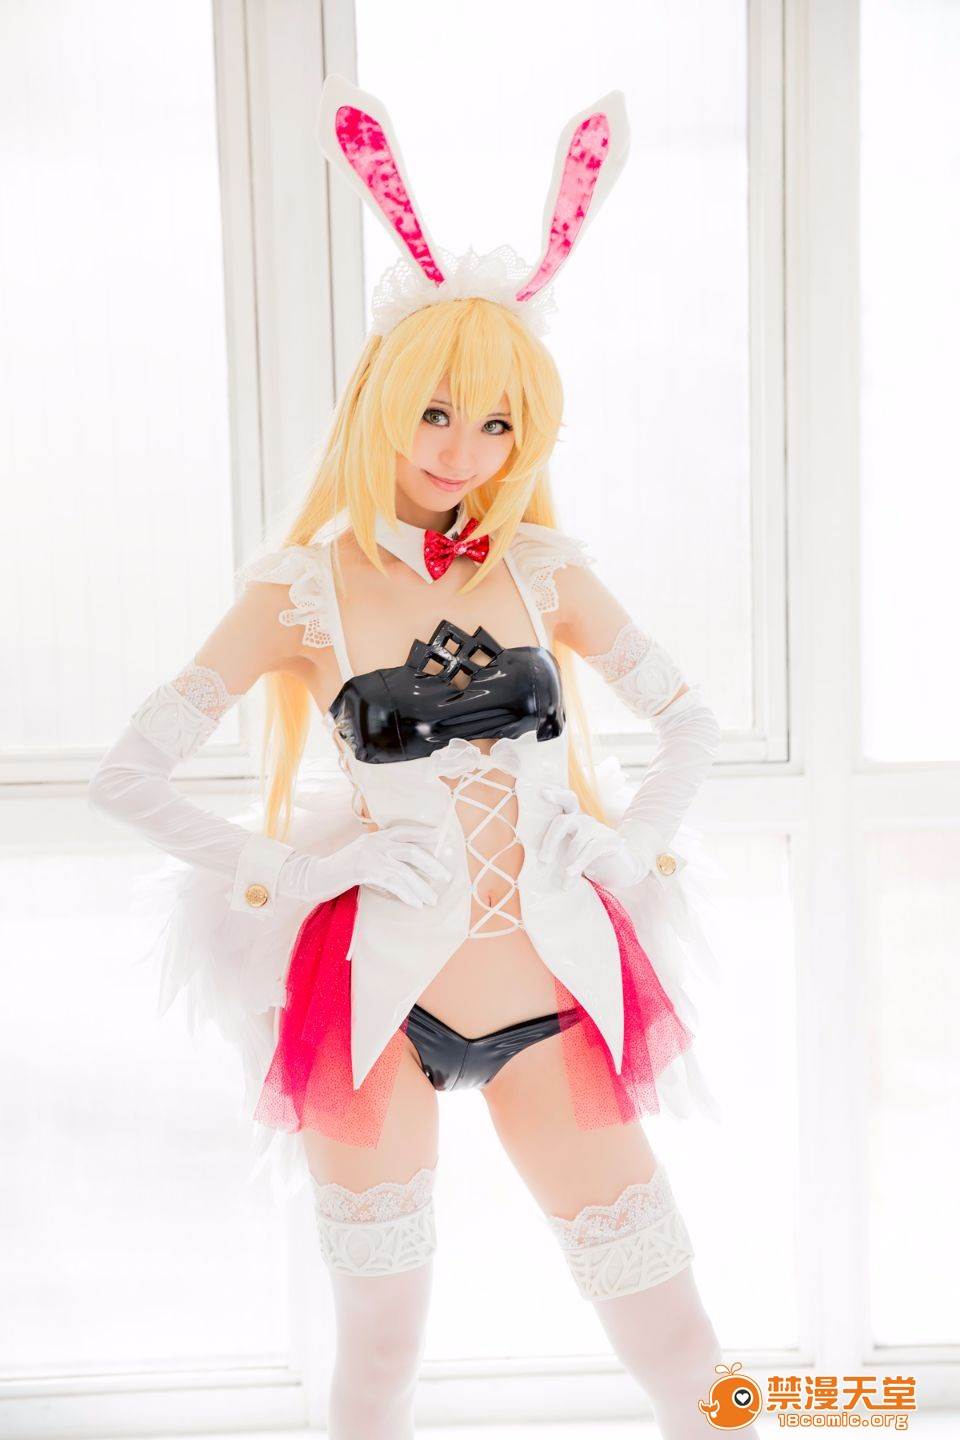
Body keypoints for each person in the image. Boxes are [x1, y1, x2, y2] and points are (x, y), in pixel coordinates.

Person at [87, 75, 758, 1440]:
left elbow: (692, 721)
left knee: (680, 1337)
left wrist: (632, 841)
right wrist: (294, 869)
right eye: (439, 412)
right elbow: (127, 776)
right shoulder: (301, 592)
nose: (464, 451)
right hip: (374, 999)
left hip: (554, 978)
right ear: (383, 402)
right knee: (382, 1355)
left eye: (498, 424)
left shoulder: (545, 568)